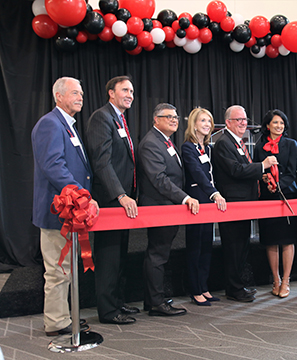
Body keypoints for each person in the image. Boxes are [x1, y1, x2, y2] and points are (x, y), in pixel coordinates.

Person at [32, 77, 97, 336]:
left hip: (70, 212)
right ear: (58, 96)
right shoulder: (50, 124)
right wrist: (81, 195)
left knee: (65, 270)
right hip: (58, 212)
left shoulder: (67, 126)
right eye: (74, 93)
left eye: (81, 93)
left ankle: (63, 317)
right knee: (58, 271)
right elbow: (53, 166)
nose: (80, 97)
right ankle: (56, 323)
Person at [85, 75, 139, 325]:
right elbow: (102, 161)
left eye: (132, 91)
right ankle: (107, 311)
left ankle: (117, 302)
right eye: (125, 90)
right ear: (111, 93)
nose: (130, 94)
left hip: (124, 199)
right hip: (110, 199)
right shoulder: (101, 117)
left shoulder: (120, 119)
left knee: (120, 256)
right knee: (108, 257)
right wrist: (120, 194)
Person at [137, 103, 199, 316]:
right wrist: (185, 198)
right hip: (158, 207)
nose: (174, 120)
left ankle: (153, 298)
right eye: (168, 116)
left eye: (175, 116)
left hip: (167, 206)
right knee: (157, 255)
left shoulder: (165, 141)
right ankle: (155, 303)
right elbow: (159, 179)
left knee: (160, 253)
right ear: (156, 119)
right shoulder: (151, 143)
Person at [212, 105, 278, 302]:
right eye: (238, 120)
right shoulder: (224, 143)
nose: (243, 123)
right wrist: (262, 166)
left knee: (241, 247)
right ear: (228, 123)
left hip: (245, 204)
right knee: (233, 248)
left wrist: (261, 175)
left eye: (245, 119)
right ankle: (234, 289)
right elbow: (236, 170)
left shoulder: (238, 143)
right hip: (233, 205)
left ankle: (239, 285)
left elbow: (244, 169)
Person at [181, 108, 227, 306]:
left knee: (207, 245)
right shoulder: (188, 147)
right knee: (195, 246)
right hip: (196, 199)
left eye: (209, 121)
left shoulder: (208, 148)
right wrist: (214, 193)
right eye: (202, 121)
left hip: (208, 199)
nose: (207, 124)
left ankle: (204, 286)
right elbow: (198, 174)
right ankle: (195, 289)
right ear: (194, 123)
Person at [253, 110, 297, 298]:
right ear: (267, 126)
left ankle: (286, 280)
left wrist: (278, 185)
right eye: (275, 123)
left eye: (281, 123)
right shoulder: (260, 146)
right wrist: (265, 180)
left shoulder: (291, 144)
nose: (279, 126)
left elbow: (292, 172)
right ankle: (276, 280)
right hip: (266, 197)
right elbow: (256, 169)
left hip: (287, 196)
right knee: (270, 240)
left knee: (288, 240)